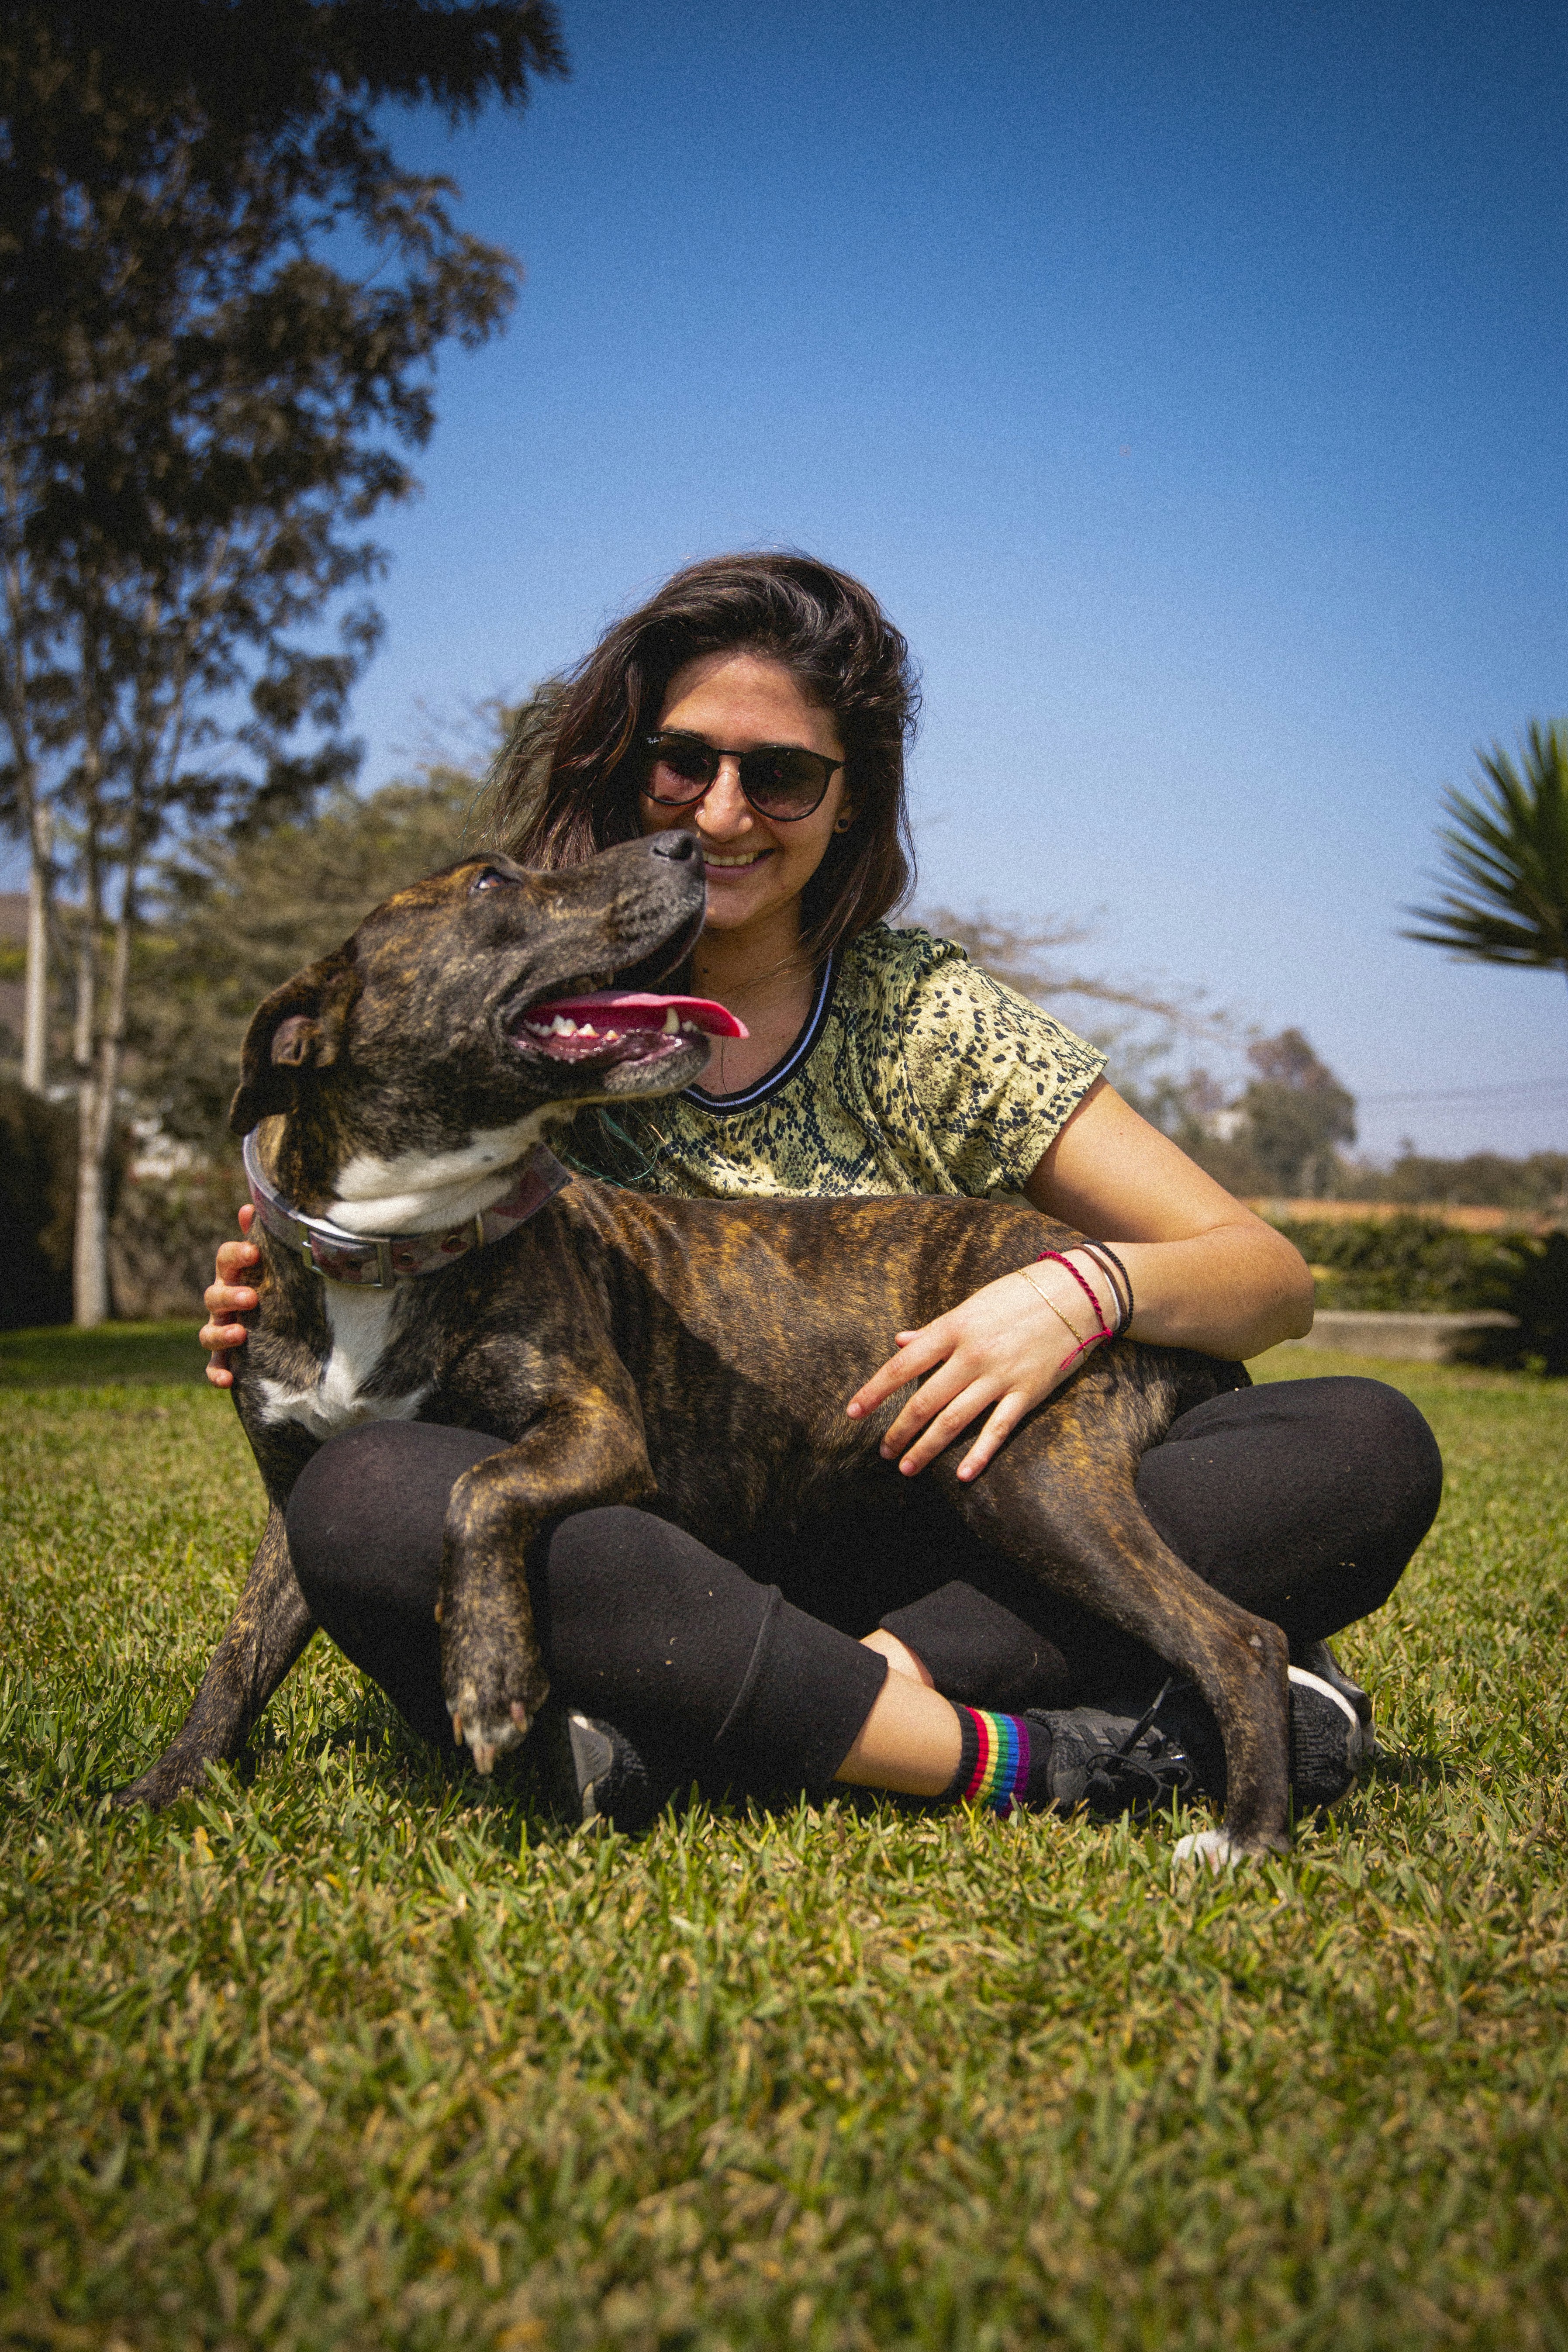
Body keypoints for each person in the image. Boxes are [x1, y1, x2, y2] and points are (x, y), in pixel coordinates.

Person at [200, 554, 1442, 1829]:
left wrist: (1076, 1293)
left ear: (850, 803)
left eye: (781, 773)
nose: (723, 812)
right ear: (635, 765)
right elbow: (378, 1171)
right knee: (359, 1500)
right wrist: (308, 1270)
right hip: (675, 1554)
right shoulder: (540, 1014)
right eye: (684, 760)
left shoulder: (926, 1014)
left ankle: (814, 1724)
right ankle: (1035, 1730)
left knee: (1362, 1443)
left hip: (960, 1541)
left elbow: (1268, 1274)